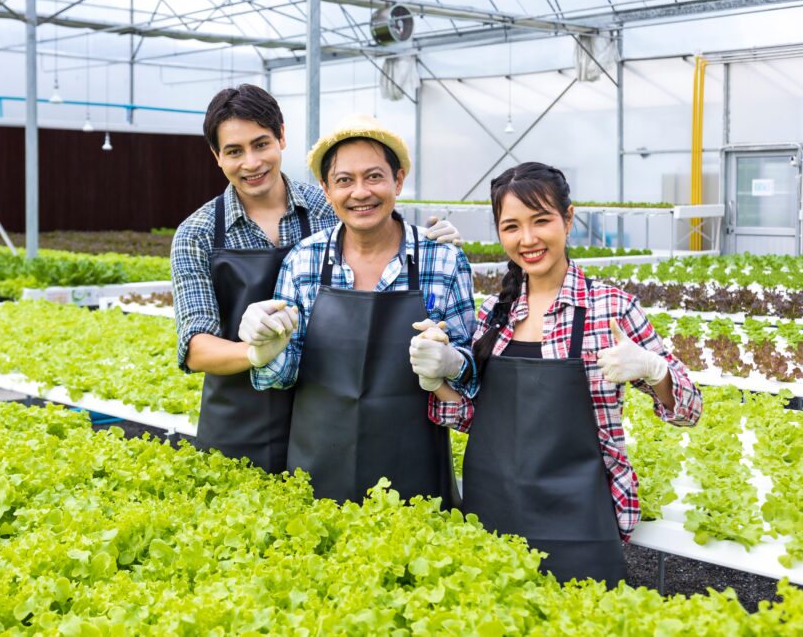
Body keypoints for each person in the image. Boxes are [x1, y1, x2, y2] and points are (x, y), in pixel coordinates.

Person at [413, 162, 702, 586]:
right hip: (493, 508)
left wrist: (652, 368)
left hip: (579, 518)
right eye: (511, 226)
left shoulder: (610, 308)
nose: (527, 239)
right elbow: (476, 420)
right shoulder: (494, 314)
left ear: (568, 219)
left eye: (541, 221)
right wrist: (438, 382)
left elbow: (689, 410)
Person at [171, 85, 462, 474]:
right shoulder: (198, 233)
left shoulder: (328, 205)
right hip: (240, 422)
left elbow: (376, 225)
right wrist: (258, 353)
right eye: (234, 151)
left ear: (282, 138)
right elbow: (195, 347)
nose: (252, 162)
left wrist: (428, 241)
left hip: (327, 417)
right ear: (216, 156)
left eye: (261, 144)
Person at [241, 113, 479, 505]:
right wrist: (265, 352)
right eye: (344, 181)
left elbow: (470, 382)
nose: (360, 192)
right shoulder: (304, 260)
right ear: (326, 188)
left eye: (374, 177)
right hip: (318, 472)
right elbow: (283, 376)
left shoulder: (443, 261)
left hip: (415, 477)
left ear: (398, 180)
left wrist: (451, 363)